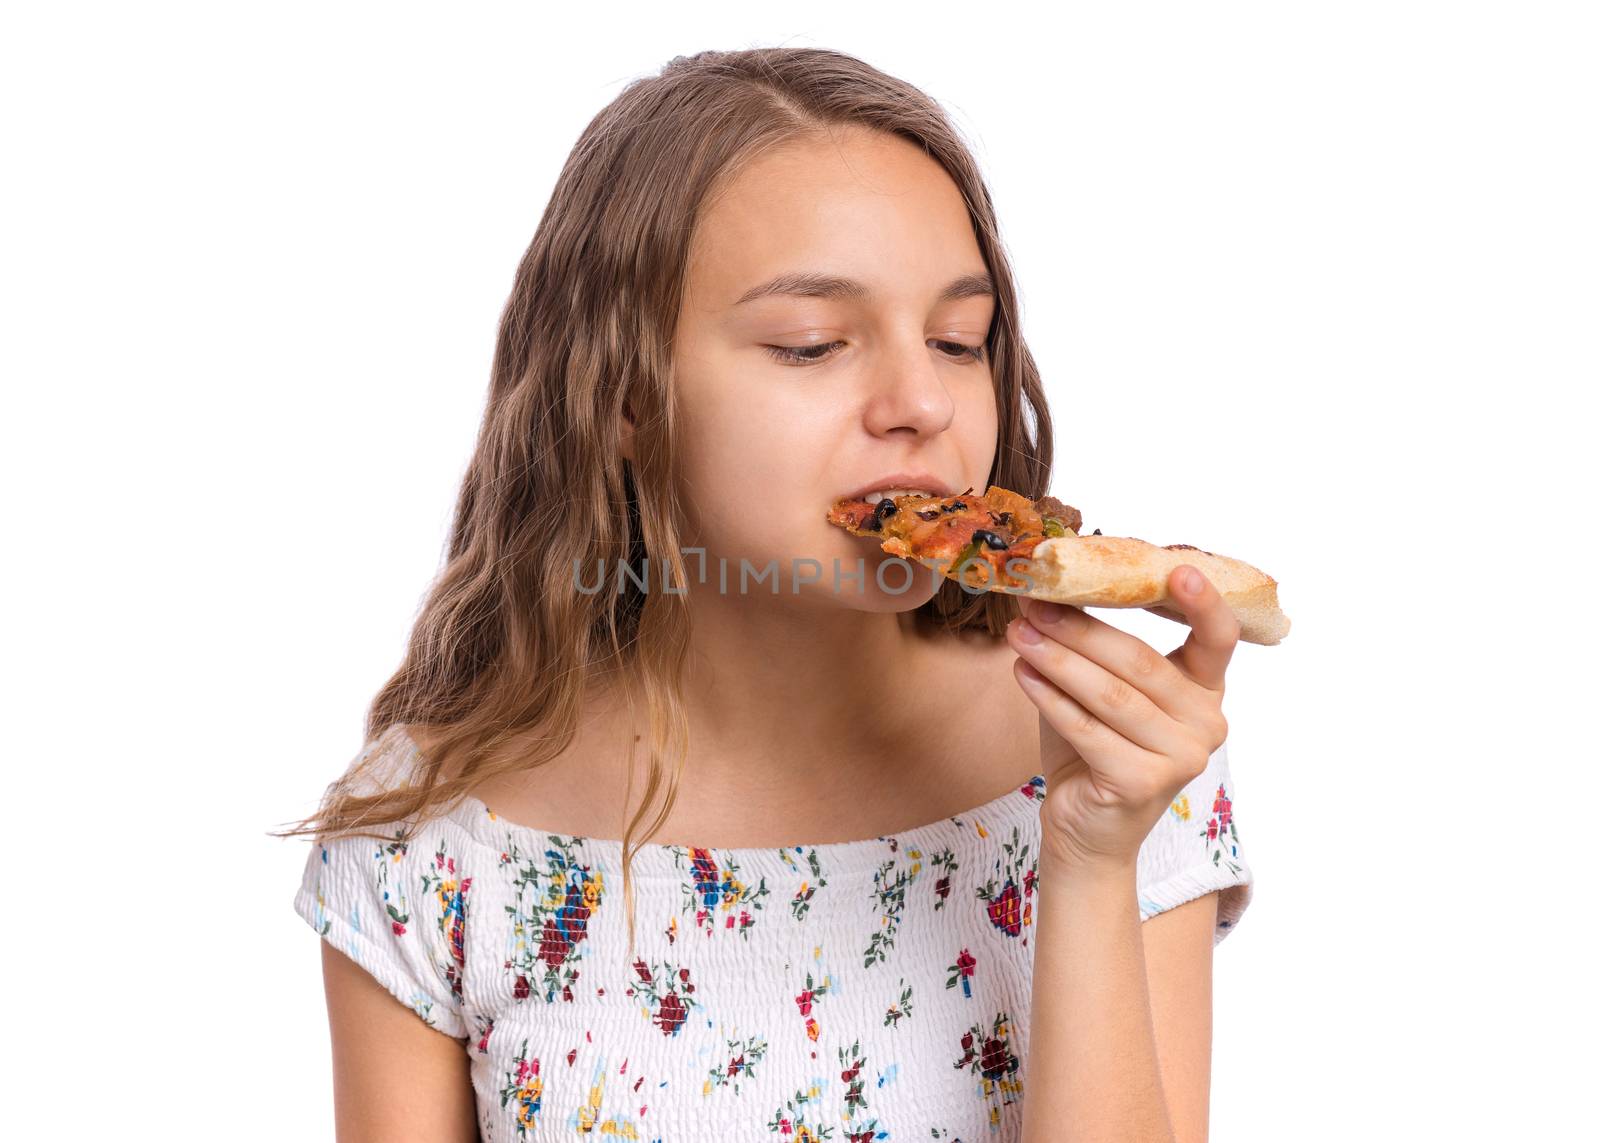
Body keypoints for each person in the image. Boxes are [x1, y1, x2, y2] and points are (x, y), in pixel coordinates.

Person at [276, 46, 1255, 1142]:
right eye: (813, 345)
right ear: (624, 396)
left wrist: (1086, 857)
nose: (921, 402)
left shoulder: (1122, 754)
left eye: (958, 340)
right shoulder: (426, 841)